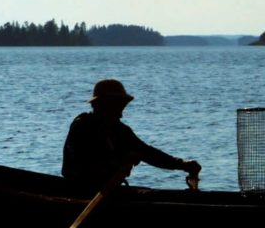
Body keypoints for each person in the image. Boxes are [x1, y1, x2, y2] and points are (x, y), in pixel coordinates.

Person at [62, 79, 201, 194]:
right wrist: (121, 162)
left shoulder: (120, 130)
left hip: (109, 191)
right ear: (101, 105)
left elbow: (147, 153)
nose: (121, 114)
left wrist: (182, 164)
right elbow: (85, 167)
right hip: (81, 190)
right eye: (116, 108)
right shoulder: (82, 127)